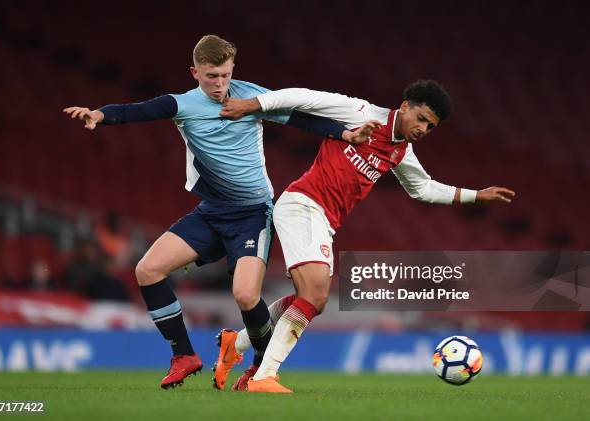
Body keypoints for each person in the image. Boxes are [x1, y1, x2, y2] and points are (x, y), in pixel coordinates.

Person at [64, 35, 375, 389]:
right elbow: (136, 110)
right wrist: (99, 115)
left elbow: (300, 119)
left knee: (245, 295)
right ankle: (184, 355)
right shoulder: (182, 104)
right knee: (147, 270)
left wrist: (345, 134)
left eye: (225, 75)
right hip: (212, 212)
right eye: (212, 76)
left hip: (253, 214)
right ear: (195, 72)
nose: (220, 84)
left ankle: (259, 370)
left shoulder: (251, 97)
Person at [216, 80, 516, 393]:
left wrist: (476, 195)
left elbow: (423, 187)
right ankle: (264, 377)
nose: (424, 128)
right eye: (422, 118)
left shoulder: (400, 152)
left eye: (431, 126)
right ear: (405, 107)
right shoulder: (359, 112)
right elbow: (305, 98)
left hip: (324, 221)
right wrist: (254, 104)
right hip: (303, 203)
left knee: (310, 299)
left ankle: (235, 343)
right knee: (316, 295)